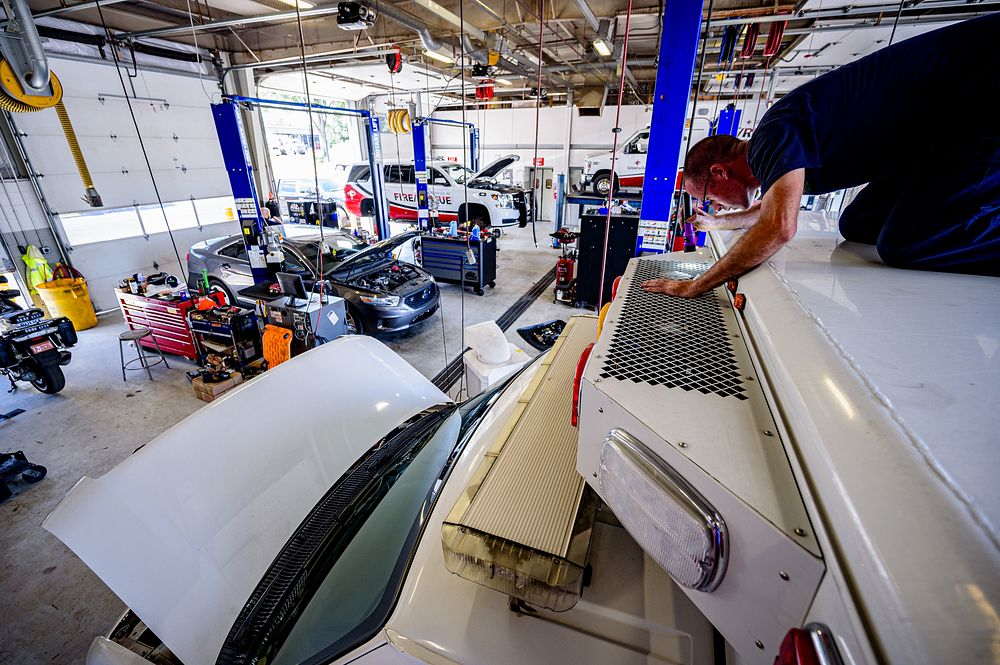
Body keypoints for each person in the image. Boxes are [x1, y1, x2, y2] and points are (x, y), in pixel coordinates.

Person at [642, 14, 1000, 299]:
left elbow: (779, 226)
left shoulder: (770, 139)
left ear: (719, 172)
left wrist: (697, 285)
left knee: (905, 244)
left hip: (977, 98)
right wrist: (719, 224)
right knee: (857, 225)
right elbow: (769, 211)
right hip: (933, 136)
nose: (713, 205)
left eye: (706, 198)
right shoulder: (779, 158)